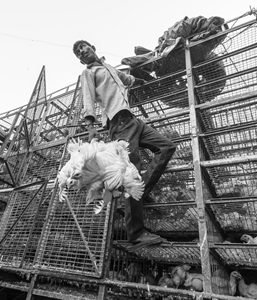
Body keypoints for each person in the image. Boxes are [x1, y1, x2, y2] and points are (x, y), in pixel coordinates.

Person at [73, 40, 176, 250]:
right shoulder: (88, 73)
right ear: (81, 60)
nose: (82, 51)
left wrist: (143, 75)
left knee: (166, 147)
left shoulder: (109, 68)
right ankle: (136, 233)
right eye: (78, 53)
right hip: (118, 123)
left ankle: (141, 190)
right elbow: (88, 98)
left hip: (133, 121)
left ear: (92, 47)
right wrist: (91, 126)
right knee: (131, 171)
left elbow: (128, 80)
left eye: (84, 47)